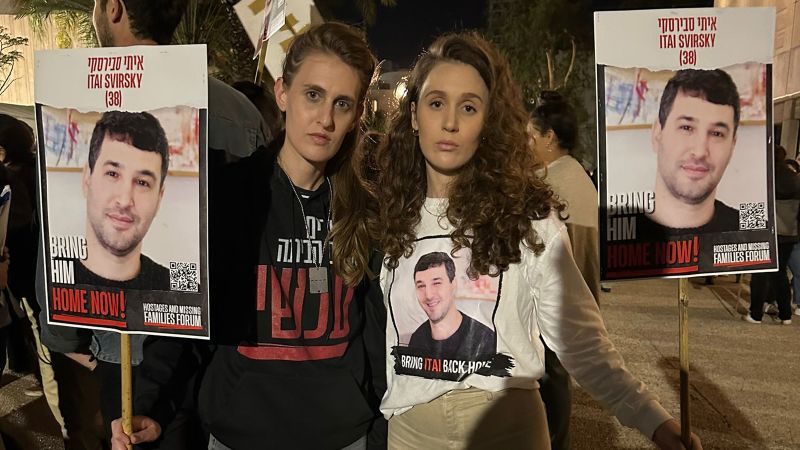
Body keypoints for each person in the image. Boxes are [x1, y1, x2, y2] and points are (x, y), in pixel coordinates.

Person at [371, 32, 701, 449]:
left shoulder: (527, 215)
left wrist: (653, 419)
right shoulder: (389, 215)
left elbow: (579, 340)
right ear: (415, 114)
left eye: (469, 107)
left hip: (506, 430)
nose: (450, 121)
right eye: (437, 103)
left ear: (488, 120)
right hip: (411, 435)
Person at [110, 22, 386, 450]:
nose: (325, 118)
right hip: (239, 434)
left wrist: (377, 427)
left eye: (342, 103)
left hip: (342, 436)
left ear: (356, 117)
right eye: (313, 95)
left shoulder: (364, 208)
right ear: (282, 93)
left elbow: (376, 331)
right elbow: (180, 317)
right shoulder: (225, 195)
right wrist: (151, 402)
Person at [35, 1, 269, 448]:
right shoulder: (239, 110)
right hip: (221, 353)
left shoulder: (78, 97)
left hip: (130, 352)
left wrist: (66, 334)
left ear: (114, 8)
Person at [528, 90, 599, 450]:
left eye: (531, 136)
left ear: (549, 138)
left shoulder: (551, 184)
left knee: (551, 382)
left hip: (557, 306)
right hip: (578, 300)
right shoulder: (578, 175)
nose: (526, 144)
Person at [641, 69, 741, 235]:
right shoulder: (613, 233)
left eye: (717, 133)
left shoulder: (756, 230)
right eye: (686, 128)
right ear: (657, 134)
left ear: (732, 145)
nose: (700, 151)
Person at [745, 145, 797, 325]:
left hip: (766, 231)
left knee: (760, 274)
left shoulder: (763, 176)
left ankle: (755, 313)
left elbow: (753, 204)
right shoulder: (794, 178)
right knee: (780, 273)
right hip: (789, 233)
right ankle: (785, 315)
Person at [408, 252, 494, 357]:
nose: (429, 295)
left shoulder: (485, 339)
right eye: (421, 286)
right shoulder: (417, 339)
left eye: (436, 283)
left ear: (453, 285)